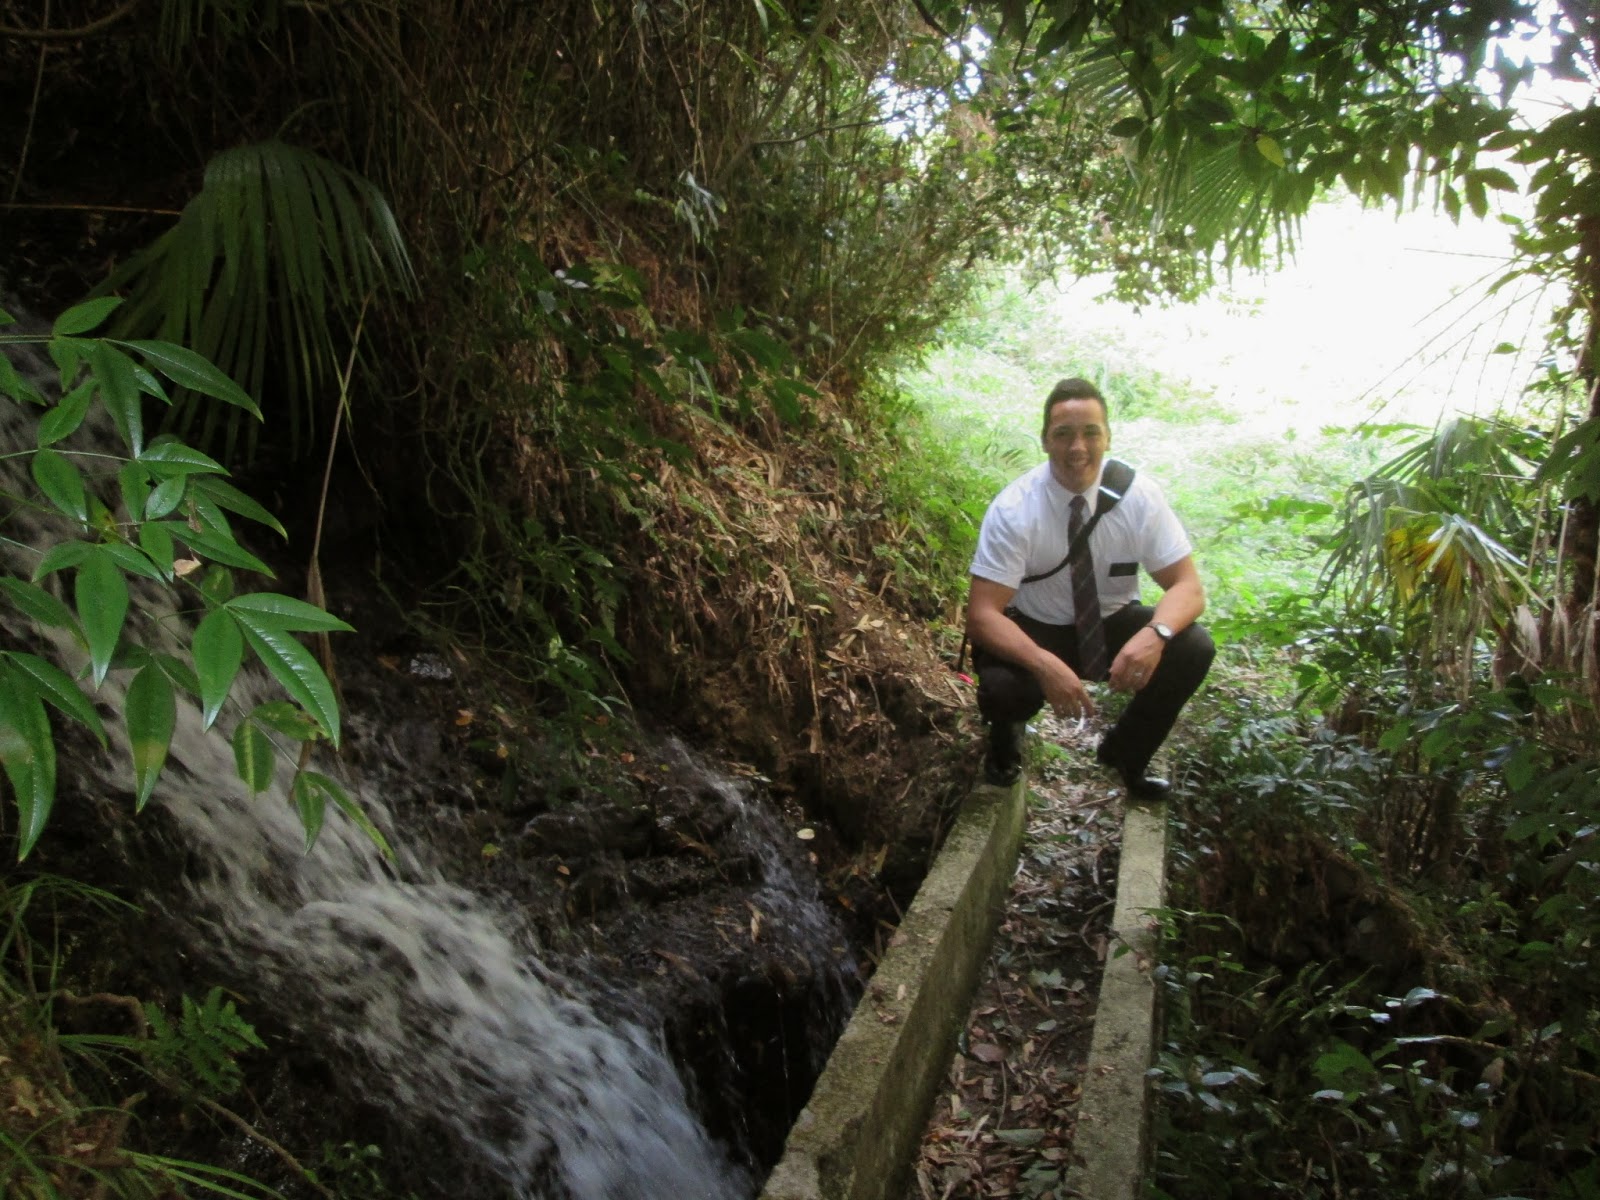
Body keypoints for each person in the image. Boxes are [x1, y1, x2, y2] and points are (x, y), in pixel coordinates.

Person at [965, 377, 1214, 795]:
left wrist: (1156, 634)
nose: (1077, 447)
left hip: (1111, 620)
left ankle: (1127, 752)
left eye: (1090, 433)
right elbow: (982, 614)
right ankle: (1006, 739)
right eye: (1063, 434)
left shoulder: (1139, 498)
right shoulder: (1015, 508)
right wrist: (1043, 664)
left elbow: (1188, 587)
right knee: (1005, 687)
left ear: (1108, 437)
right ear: (1045, 440)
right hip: (1037, 624)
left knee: (1193, 647)